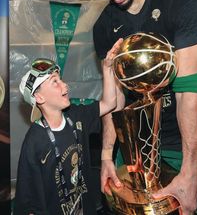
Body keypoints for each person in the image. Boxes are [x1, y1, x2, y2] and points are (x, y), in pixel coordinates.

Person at [74, 0, 197, 215]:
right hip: (135, 151)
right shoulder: (104, 27)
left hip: (185, 146)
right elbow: (113, 100)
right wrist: (106, 155)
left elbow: (188, 94)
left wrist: (190, 172)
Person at [14, 39, 125, 215]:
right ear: (40, 98)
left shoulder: (76, 116)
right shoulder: (35, 140)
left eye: (61, 79)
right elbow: (27, 198)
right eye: (54, 82)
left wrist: (107, 67)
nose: (64, 85)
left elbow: (110, 103)